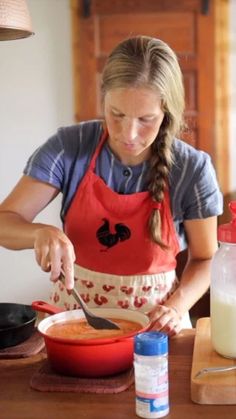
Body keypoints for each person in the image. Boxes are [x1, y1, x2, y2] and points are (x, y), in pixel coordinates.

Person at [0, 35, 222, 336]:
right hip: (74, 323)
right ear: (103, 98)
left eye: (146, 119)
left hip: (157, 330)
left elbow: (205, 257)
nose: (128, 134)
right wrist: (40, 233)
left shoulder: (192, 168)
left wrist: (176, 306)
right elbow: (5, 223)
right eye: (116, 114)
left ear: (166, 113)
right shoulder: (69, 147)